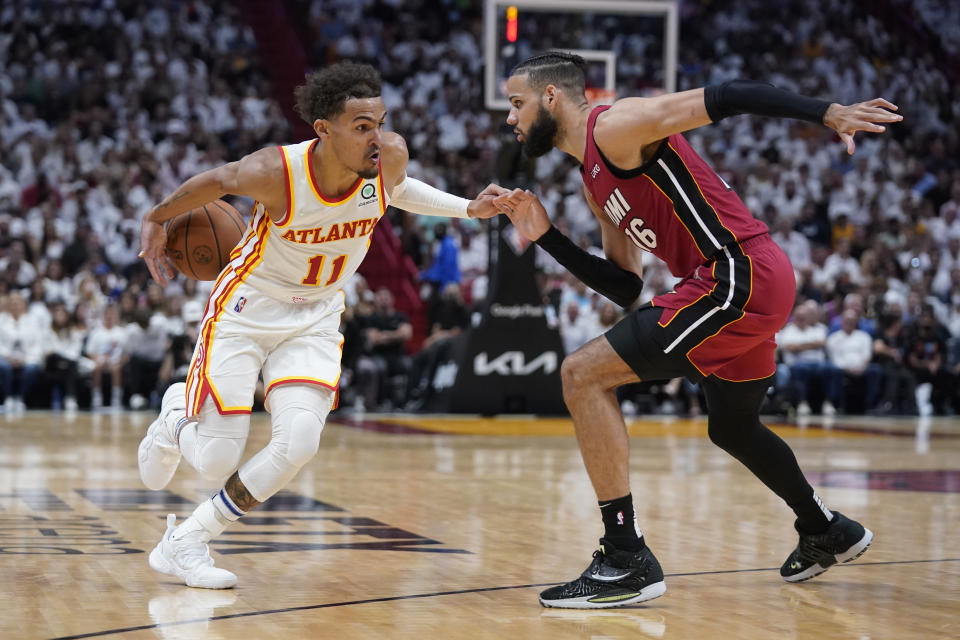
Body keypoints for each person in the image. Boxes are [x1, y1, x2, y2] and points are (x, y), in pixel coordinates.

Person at [492, 52, 900, 608]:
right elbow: (623, 286)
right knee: (732, 428)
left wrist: (826, 113)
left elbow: (727, 94)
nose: (509, 118)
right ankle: (824, 527)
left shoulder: (614, 126)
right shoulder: (592, 179)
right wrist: (545, 237)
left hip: (737, 274)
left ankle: (625, 556)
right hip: (749, 283)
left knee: (581, 375)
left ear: (551, 98)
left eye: (516, 103)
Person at [137, 62, 501, 589]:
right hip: (246, 309)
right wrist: (154, 218)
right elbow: (215, 181)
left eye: (379, 121)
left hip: (316, 314)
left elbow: (397, 190)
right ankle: (175, 416)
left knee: (300, 440)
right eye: (361, 126)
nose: (376, 136)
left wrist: (469, 208)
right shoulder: (276, 172)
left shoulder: (389, 155)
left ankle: (188, 540)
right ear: (323, 130)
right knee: (216, 458)